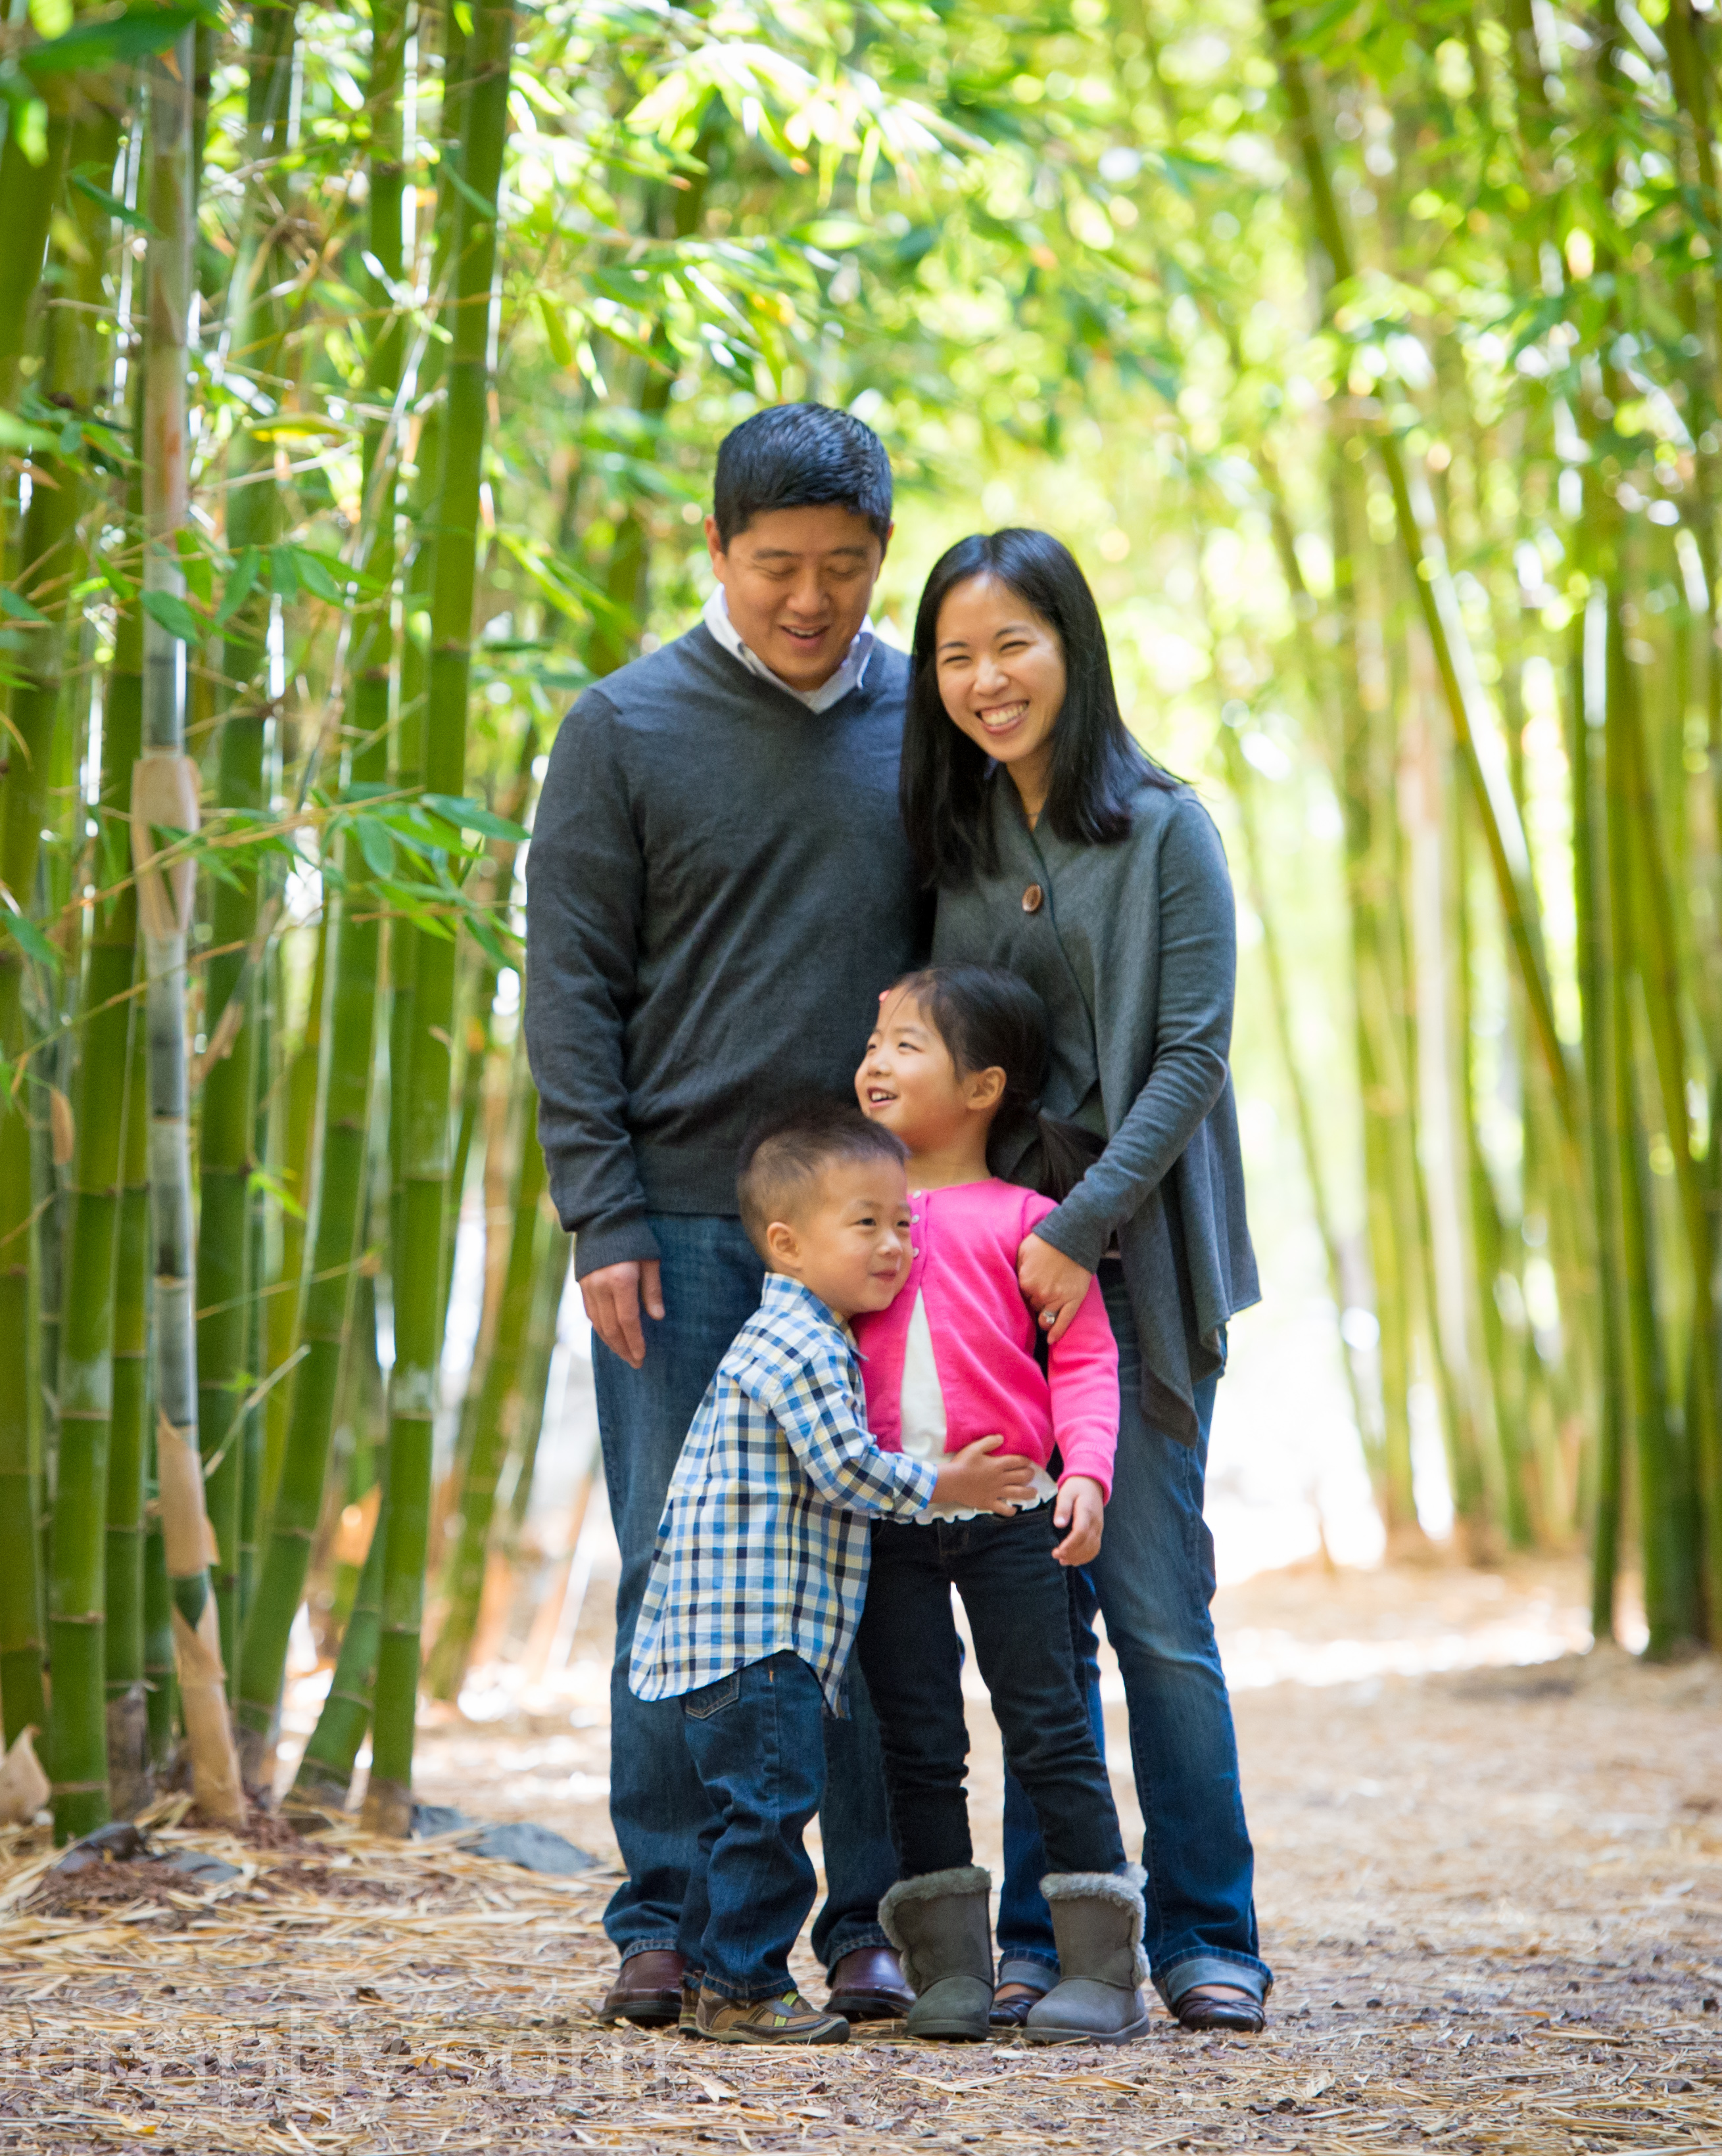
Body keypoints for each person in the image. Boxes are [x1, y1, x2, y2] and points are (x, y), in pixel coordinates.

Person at [525, 404, 930, 2029]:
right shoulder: (620, 727)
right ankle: (666, 1916)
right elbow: (569, 988)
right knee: (680, 1575)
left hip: (874, 1228)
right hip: (683, 1224)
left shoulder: (929, 717)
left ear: (880, 560)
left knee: (870, 1571)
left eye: (843, 567)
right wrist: (598, 1206)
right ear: (716, 551)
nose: (810, 600)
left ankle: (870, 1923)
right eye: (776, 566)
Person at [897, 528, 1272, 2034]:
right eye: (955, 656)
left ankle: (1207, 1929)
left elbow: (1191, 1054)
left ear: (1074, 646)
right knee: (1029, 1626)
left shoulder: (1166, 825)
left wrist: (1078, 1226)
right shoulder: (963, 841)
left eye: (1013, 645)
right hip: (997, 1286)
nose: (986, 680)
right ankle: (1050, 1933)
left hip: (1140, 1258)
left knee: (1153, 1604)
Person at [622, 1106, 1038, 2043]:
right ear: (787, 1243)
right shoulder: (800, 1344)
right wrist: (950, 1484)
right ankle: (744, 1988)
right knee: (769, 1813)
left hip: (743, 1632)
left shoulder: (805, 1335)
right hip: (756, 1637)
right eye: (866, 1224)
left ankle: (709, 1977)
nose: (895, 1245)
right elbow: (847, 1469)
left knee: (741, 1815)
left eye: (903, 1223)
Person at [848, 965, 1152, 2045]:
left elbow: (1084, 1359)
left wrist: (1089, 1471)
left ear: (983, 1088)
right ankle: (950, 1973)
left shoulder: (1029, 1220)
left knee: (1050, 1728)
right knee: (918, 1743)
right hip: (887, 1525)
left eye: (907, 1045)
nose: (876, 1061)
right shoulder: (858, 1220)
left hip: (1016, 1518)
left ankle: (1102, 1972)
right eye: (873, 1042)